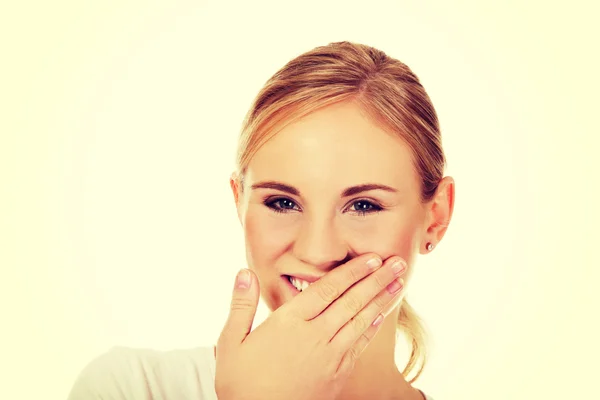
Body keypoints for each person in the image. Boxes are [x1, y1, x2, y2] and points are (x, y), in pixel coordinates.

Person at [68, 41, 455, 400]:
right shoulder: (130, 388)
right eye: (283, 202)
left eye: (364, 206)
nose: (318, 252)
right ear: (240, 203)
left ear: (435, 217)